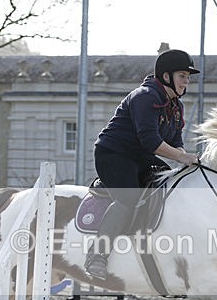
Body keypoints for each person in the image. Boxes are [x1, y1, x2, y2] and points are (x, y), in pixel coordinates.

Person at [84, 49, 201, 280]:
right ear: (166, 76)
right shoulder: (144, 96)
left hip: (141, 158)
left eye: (188, 77)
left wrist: (186, 161)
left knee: (170, 190)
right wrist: (182, 158)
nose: (186, 81)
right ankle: (97, 256)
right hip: (114, 154)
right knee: (129, 198)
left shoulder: (176, 107)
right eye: (182, 75)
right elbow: (151, 141)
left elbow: (175, 142)